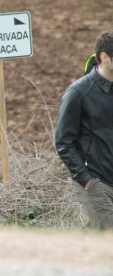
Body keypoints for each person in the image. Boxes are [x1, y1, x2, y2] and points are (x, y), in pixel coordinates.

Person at [55, 30, 113, 229]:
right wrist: (86, 180)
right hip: (97, 182)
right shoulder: (78, 93)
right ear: (104, 57)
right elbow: (63, 142)